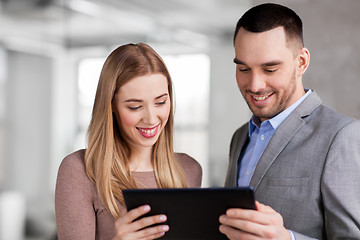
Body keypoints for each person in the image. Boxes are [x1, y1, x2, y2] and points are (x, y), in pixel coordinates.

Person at [219, 3, 360, 240]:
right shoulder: (240, 136)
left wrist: (287, 238)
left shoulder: (341, 136)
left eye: (270, 69)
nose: (255, 85)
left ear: (301, 62)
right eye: (244, 68)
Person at [55, 43, 202, 240]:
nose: (151, 118)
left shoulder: (189, 170)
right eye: (134, 106)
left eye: (160, 102)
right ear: (111, 106)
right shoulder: (80, 171)